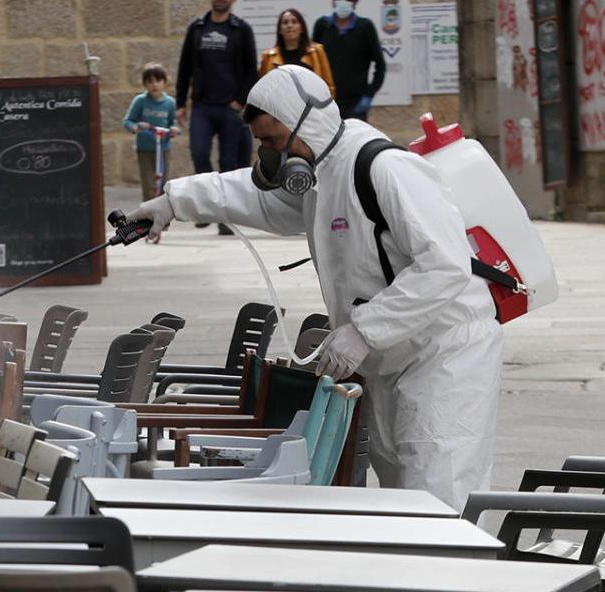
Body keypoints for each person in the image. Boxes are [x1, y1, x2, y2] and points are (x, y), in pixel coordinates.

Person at [123, 65, 502, 511]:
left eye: (273, 141)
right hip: (391, 358)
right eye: (261, 143)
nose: (268, 155)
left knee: (439, 486)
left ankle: (457, 580)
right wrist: (174, 201)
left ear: (307, 124)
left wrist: (364, 330)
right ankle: (413, 577)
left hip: (445, 352)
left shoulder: (384, 168)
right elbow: (254, 195)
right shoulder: (319, 177)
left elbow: (446, 265)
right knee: (403, 494)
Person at [175, 0, 258, 235]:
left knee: (229, 164)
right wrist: (180, 102)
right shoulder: (197, 28)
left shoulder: (241, 29)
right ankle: (209, 206)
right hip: (202, 106)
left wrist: (241, 101)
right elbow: (185, 66)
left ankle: (225, 217)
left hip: (230, 109)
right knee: (199, 154)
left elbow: (250, 69)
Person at [312, 0, 386, 121]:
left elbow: (380, 65)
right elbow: (312, 61)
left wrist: (369, 95)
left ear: (355, 2)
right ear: (333, 0)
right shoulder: (322, 26)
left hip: (356, 105)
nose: (343, 2)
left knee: (356, 141)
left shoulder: (365, 27)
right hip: (326, 103)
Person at [123, 63, 181, 202]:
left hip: (163, 149)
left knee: (163, 183)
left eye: (158, 81)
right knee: (148, 184)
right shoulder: (140, 101)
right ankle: (147, 216)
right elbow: (128, 121)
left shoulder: (170, 103)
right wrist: (136, 127)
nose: (154, 85)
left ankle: (162, 217)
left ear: (164, 82)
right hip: (145, 149)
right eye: (150, 82)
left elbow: (174, 123)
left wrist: (174, 130)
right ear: (145, 84)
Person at [259, 9, 336, 96]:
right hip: (280, 107)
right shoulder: (268, 57)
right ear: (280, 30)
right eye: (285, 23)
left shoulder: (317, 52)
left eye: (294, 22)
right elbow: (263, 91)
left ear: (302, 28)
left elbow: (329, 86)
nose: (290, 25)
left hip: (313, 107)